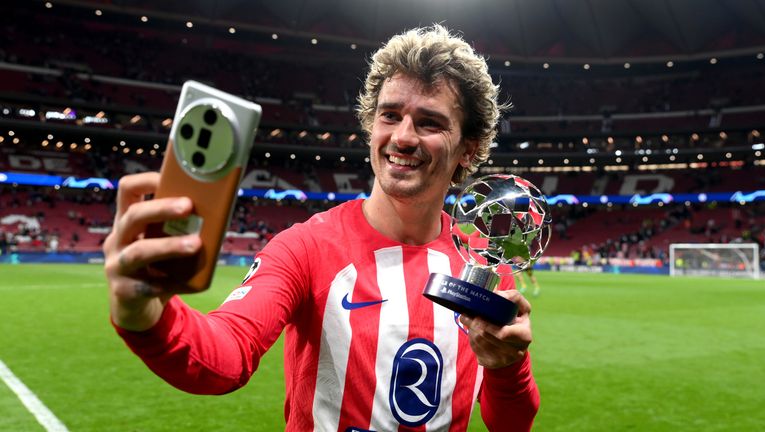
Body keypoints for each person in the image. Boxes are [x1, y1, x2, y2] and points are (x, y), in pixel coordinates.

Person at [104, 25, 539, 431]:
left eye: (429, 122)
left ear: (470, 147)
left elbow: (511, 421)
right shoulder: (305, 247)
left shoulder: (482, 265)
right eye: (390, 116)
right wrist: (147, 317)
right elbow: (227, 355)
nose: (403, 136)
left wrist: (508, 365)